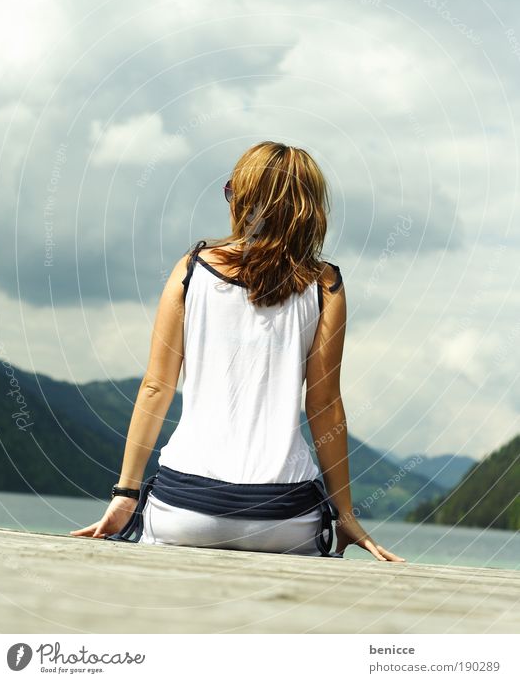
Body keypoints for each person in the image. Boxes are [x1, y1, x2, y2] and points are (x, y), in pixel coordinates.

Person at [70, 141, 405, 562]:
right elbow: (323, 405)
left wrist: (126, 494)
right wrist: (345, 515)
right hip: (284, 518)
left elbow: (157, 387)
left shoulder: (193, 268)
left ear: (242, 199)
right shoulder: (325, 285)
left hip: (184, 508)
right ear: (310, 211)